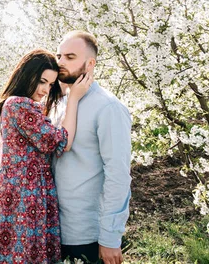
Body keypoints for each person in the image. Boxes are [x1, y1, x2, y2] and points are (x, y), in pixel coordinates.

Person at [0, 48, 93, 264]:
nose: (45, 89)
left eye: (50, 84)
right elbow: (62, 141)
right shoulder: (19, 105)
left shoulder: (21, 105)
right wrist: (74, 100)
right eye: (42, 81)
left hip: (23, 191)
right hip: (25, 195)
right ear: (26, 75)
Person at [53, 31, 132, 264]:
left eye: (69, 56)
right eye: (59, 56)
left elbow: (118, 174)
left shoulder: (108, 107)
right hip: (52, 228)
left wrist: (110, 237)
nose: (60, 63)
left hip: (87, 233)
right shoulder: (60, 104)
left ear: (90, 63)